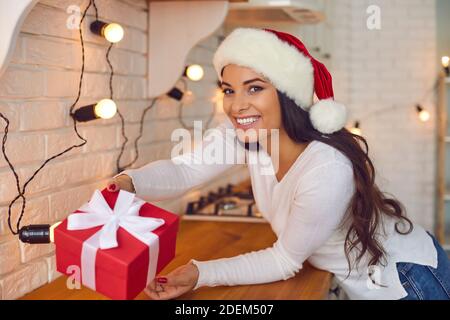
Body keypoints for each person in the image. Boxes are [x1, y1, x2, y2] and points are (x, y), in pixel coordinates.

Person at [107, 27, 450, 300]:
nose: (237, 105)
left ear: (287, 93)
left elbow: (284, 260)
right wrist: (127, 183)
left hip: (405, 279)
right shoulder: (246, 133)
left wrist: (200, 272)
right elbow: (185, 170)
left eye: (254, 88)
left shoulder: (326, 167)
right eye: (229, 90)